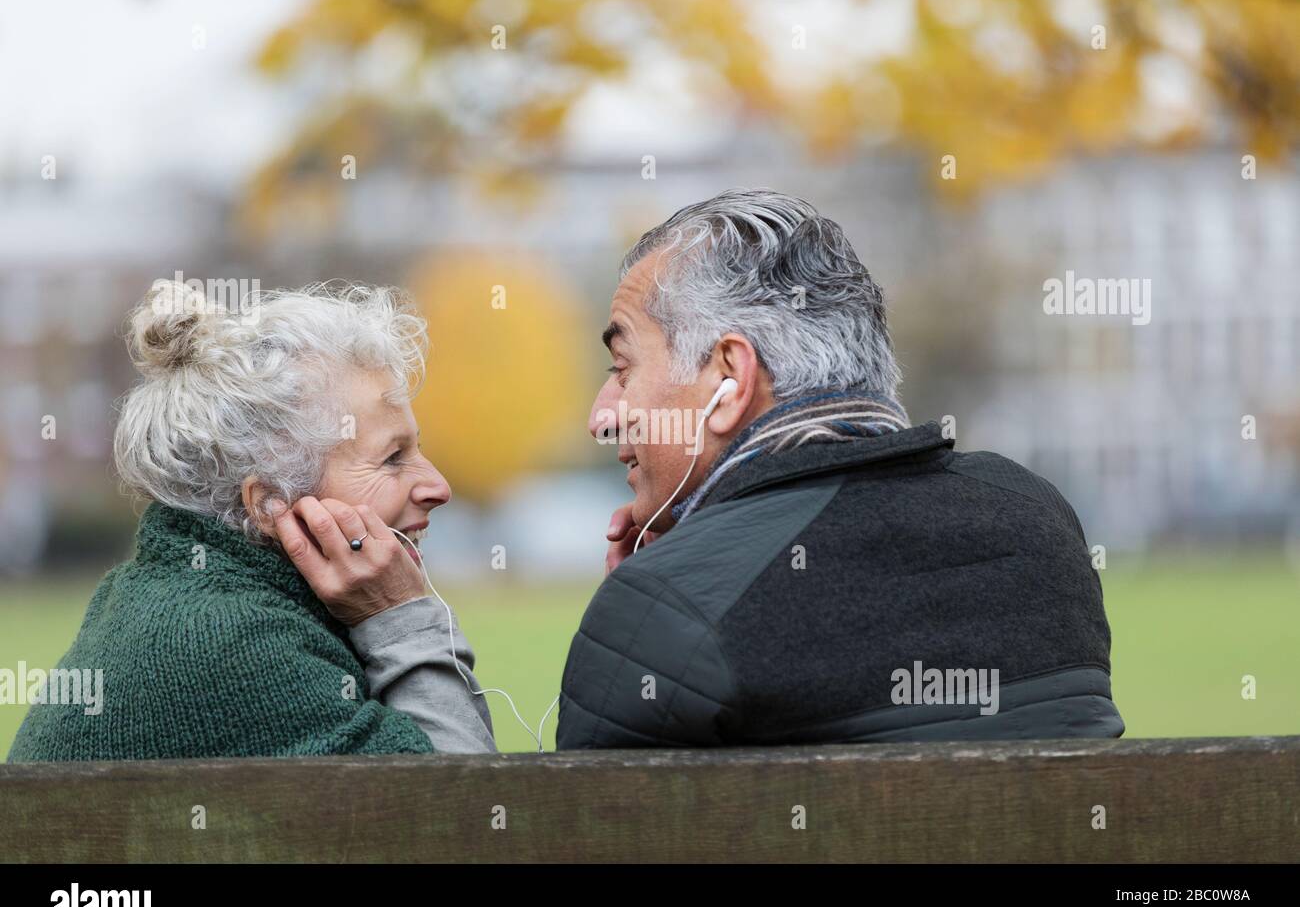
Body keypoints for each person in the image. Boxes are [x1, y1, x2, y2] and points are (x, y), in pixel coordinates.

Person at [556, 188, 1125, 749]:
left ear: (729, 380)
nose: (602, 417)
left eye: (622, 368)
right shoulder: (1039, 523)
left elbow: (587, 833)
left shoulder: (664, 611)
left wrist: (643, 614)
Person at [8, 279, 496, 761]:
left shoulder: (185, 597)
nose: (438, 486)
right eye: (392, 457)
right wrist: (400, 618)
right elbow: (462, 820)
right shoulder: (234, 644)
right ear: (268, 503)